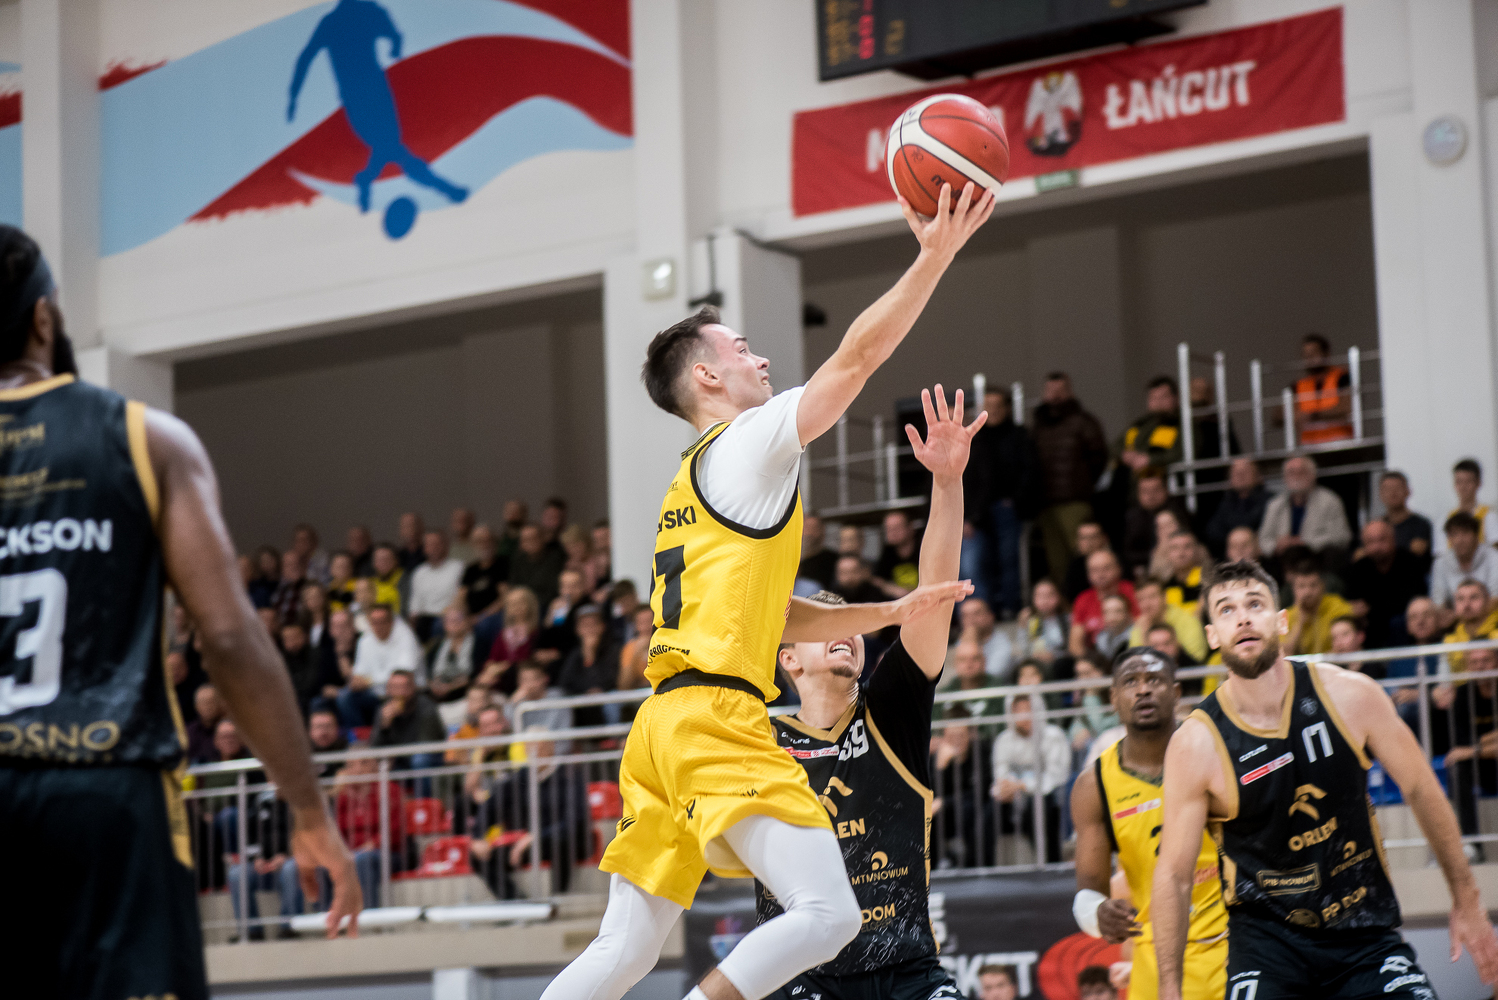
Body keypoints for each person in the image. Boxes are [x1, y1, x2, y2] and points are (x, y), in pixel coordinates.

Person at [543, 180, 994, 1000]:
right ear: (708, 376)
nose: (762, 360)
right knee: (828, 914)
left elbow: (774, 616)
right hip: (717, 716)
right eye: (744, 348)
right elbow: (855, 359)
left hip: (661, 725)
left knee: (625, 948)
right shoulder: (748, 442)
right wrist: (933, 258)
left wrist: (889, 612)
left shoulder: (692, 480)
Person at [0, 225, 359, 998]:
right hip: (107, 791)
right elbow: (227, 636)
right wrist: (307, 808)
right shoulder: (145, 438)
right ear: (42, 318)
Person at [1152, 560, 1498, 1000]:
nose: (1242, 618)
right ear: (1212, 636)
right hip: (1267, 946)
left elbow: (1421, 788)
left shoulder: (1351, 695)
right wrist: (1168, 988)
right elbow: (1174, 875)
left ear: (1282, 621)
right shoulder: (1195, 743)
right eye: (1226, 609)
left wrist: (1467, 898)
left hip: (1362, 932)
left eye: (1255, 604)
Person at [759, 388, 977, 1000]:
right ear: (787, 658)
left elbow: (933, 594)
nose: (848, 633)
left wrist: (947, 483)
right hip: (805, 980)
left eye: (854, 624)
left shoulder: (891, 709)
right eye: (828, 624)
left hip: (908, 971)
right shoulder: (758, 736)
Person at [1071, 648, 1225, 1000]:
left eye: (1154, 680)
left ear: (1176, 692)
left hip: (1237, 941)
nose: (1143, 689)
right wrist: (1098, 913)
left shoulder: (1217, 750)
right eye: (1131, 682)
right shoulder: (1094, 785)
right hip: (1157, 958)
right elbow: (1089, 891)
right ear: (1113, 698)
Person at [965, 386, 1043, 614]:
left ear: (1007, 408)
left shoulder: (1019, 435)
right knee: (981, 562)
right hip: (980, 512)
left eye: (997, 406)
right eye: (988, 406)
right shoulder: (975, 438)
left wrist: (1016, 499)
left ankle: (1011, 607)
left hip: (1007, 507)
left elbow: (1030, 470)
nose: (993, 411)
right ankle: (988, 612)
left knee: (1009, 560)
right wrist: (971, 513)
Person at [1032, 372, 1108, 584]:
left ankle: (1091, 597)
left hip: (1075, 500)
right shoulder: (1038, 425)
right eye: (1051, 390)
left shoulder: (1084, 422)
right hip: (1047, 502)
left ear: (1070, 392)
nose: (1055, 396)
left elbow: (1099, 457)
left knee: (1084, 555)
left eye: (1060, 390)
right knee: (1056, 562)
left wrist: (1083, 483)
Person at [1430, 647, 1498, 856]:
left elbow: (1468, 748)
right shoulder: (1462, 695)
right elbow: (1459, 748)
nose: (1480, 666)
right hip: (1482, 767)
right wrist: (1488, 741)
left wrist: (1475, 748)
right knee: (1457, 769)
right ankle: (1472, 844)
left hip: (1484, 758)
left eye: (1485, 660)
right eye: (1474, 662)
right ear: (1468, 666)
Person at [990, 692, 1069, 862]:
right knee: (988, 813)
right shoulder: (1003, 740)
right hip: (1014, 797)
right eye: (1018, 710)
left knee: (1039, 808)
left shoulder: (1053, 735)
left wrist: (1023, 785)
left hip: (1049, 794)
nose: (1023, 715)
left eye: (1028, 709)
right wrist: (1006, 788)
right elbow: (1000, 774)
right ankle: (981, 869)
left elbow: (1056, 776)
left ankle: (1049, 865)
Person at [1344, 520, 1427, 648]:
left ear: (1393, 539)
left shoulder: (1410, 562)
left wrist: (1373, 608)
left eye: (1382, 540)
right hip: (1370, 630)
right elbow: (1351, 602)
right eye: (1371, 542)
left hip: (1404, 627)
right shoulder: (1358, 569)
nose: (1377, 547)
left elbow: (1415, 599)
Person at [338, 603, 422, 728]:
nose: (378, 626)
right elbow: (359, 673)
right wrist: (356, 681)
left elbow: (403, 677)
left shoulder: (406, 637)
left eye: (382, 622)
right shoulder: (365, 640)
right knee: (345, 697)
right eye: (374, 622)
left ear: (391, 622)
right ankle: (361, 736)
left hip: (402, 695)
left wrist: (369, 681)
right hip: (374, 694)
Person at [1258, 455, 1353, 563]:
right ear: (1284, 477)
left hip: (1317, 557)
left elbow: (1341, 537)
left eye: (1301, 472)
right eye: (1291, 472)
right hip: (1283, 558)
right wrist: (1276, 545)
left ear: (1313, 475)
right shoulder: (1274, 504)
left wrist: (1305, 543)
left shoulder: (1330, 501)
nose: (1296, 476)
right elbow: (1263, 540)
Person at [557, 604, 620, 728]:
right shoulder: (574, 655)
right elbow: (565, 682)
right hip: (582, 706)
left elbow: (613, 680)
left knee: (612, 700)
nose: (590, 630)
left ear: (602, 627)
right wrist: (585, 690)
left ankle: (613, 737)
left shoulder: (613, 650)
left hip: (605, 702)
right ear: (578, 630)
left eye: (593, 624)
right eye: (585, 626)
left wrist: (590, 655)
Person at [1069, 550, 1138, 656]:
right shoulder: (1082, 599)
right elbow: (1075, 643)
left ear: (1118, 569)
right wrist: (1088, 661)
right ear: (1088, 574)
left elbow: (1143, 624)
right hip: (1097, 657)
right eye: (1095, 570)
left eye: (1106, 568)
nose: (1100, 574)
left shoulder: (1132, 591)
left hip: (1131, 650)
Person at [1289, 333, 1353, 445]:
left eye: (1314, 353)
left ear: (1326, 354)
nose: (1309, 357)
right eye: (1306, 354)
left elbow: (1347, 406)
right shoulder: (1298, 385)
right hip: (1310, 446)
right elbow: (1281, 414)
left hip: (1340, 443)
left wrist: (1313, 415)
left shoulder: (1342, 377)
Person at [1283, 560, 1354, 656]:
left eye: (1313, 585)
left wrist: (1316, 662)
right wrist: (1299, 624)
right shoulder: (1287, 616)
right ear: (1293, 589)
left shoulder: (1337, 606)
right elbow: (1284, 655)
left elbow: (1349, 647)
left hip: (1335, 664)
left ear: (1323, 586)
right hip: (1302, 666)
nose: (1308, 592)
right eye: (1301, 586)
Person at [1128, 577, 1207, 663]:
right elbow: (1133, 661)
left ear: (1165, 597)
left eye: (1152, 597)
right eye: (1141, 599)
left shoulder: (1187, 621)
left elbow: (1197, 657)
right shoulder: (1140, 625)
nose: (1147, 604)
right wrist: (1144, 635)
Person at [407, 529, 464, 642]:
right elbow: (415, 602)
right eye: (429, 545)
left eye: (437, 544)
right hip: (424, 618)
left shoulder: (458, 568)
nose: (433, 548)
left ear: (445, 546)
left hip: (447, 616)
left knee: (437, 625)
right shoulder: (419, 572)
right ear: (424, 548)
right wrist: (411, 623)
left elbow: (460, 596)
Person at [1432, 512, 1498, 608]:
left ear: (1476, 536)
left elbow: (1495, 598)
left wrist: (1467, 612)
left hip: (1489, 614)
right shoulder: (1440, 563)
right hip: (1454, 616)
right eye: (1454, 534)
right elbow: (1438, 602)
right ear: (1449, 538)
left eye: (1465, 533)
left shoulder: (1494, 557)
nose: (1460, 540)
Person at [1205, 458, 1270, 556]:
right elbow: (1213, 532)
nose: (1240, 475)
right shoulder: (1223, 502)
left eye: (1245, 472)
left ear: (1258, 476)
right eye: (1236, 473)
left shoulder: (1270, 501)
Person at [1437, 458, 1498, 553]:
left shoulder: (1489, 517)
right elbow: (1441, 554)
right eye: (1459, 482)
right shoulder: (1445, 519)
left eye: (1468, 482)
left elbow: (1495, 551)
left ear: (1478, 483)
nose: (1463, 487)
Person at [1443, 578, 1498, 677]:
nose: (1466, 604)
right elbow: (1446, 680)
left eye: (1474, 597)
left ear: (1488, 601)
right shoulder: (1449, 642)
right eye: (1460, 599)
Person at [1378, 471, 1433, 566]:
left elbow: (1415, 554)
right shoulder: (1377, 527)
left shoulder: (1421, 524)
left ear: (1408, 491)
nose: (1393, 493)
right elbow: (1360, 555)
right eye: (1388, 489)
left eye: (1397, 488)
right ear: (1381, 494)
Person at [508, 523, 565, 610]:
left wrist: (530, 605)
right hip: (520, 606)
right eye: (525, 540)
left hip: (545, 606)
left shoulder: (555, 559)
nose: (530, 543)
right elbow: (514, 585)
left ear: (543, 538)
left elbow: (554, 591)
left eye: (533, 538)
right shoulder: (518, 560)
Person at [428, 605, 475, 702]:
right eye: (449, 621)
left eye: (457, 620)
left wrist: (450, 687)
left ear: (467, 621)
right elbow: (428, 673)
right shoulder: (436, 644)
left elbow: (475, 675)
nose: (453, 624)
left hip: (465, 693)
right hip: (437, 691)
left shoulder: (477, 644)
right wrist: (435, 685)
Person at [460, 523, 506, 619]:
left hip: (493, 615)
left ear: (495, 542)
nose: (484, 545)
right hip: (470, 616)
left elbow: (504, 598)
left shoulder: (502, 564)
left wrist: (479, 617)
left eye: (488, 540)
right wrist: (463, 617)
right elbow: (461, 597)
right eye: (479, 541)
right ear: (473, 545)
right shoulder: (471, 569)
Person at [873, 510, 921, 597]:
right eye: (888, 529)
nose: (893, 533)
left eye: (897, 528)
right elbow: (878, 580)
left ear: (910, 528)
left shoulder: (923, 548)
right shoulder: (888, 552)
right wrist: (893, 589)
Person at [1161, 531, 1206, 616]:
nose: (1181, 553)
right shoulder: (1164, 586)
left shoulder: (1207, 581)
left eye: (1187, 547)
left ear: (1197, 551)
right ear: (1167, 553)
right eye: (1175, 548)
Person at [1064, 521, 1110, 601]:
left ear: (1104, 538)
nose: (1089, 542)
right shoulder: (1074, 567)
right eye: (1084, 538)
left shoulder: (1115, 560)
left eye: (1093, 537)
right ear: (1078, 541)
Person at [798, 514, 839, 591]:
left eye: (814, 528)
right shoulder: (793, 559)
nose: (809, 533)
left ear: (823, 531)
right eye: (806, 527)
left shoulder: (833, 559)